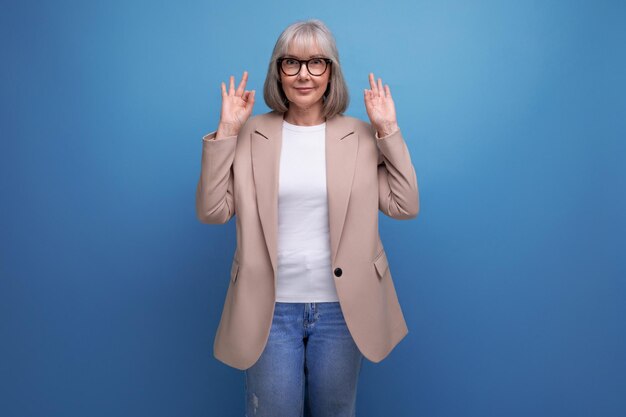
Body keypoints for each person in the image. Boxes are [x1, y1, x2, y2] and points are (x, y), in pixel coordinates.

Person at [196, 19, 419, 417]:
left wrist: (388, 128)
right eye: (292, 63)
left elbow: (405, 204)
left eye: (316, 62)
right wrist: (227, 129)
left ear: (331, 71)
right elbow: (213, 211)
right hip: (270, 310)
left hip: (342, 311)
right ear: (277, 71)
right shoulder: (249, 134)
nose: (303, 74)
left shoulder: (361, 136)